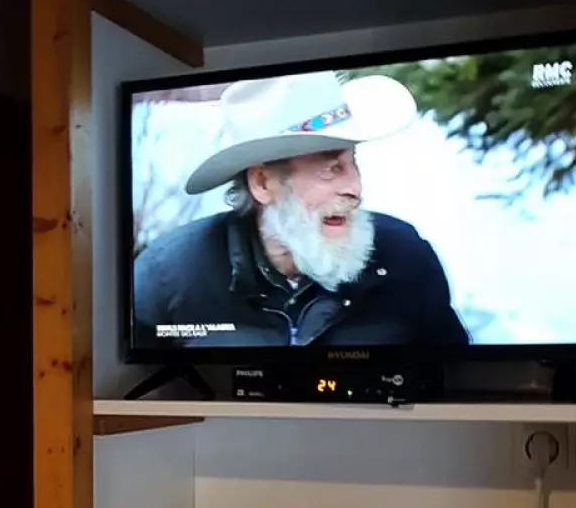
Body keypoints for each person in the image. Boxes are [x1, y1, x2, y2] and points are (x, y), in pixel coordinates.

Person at [133, 70, 470, 348]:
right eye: (331, 168)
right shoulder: (169, 274)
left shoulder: (404, 257)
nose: (355, 188)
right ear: (262, 183)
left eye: (352, 163)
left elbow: (454, 378)